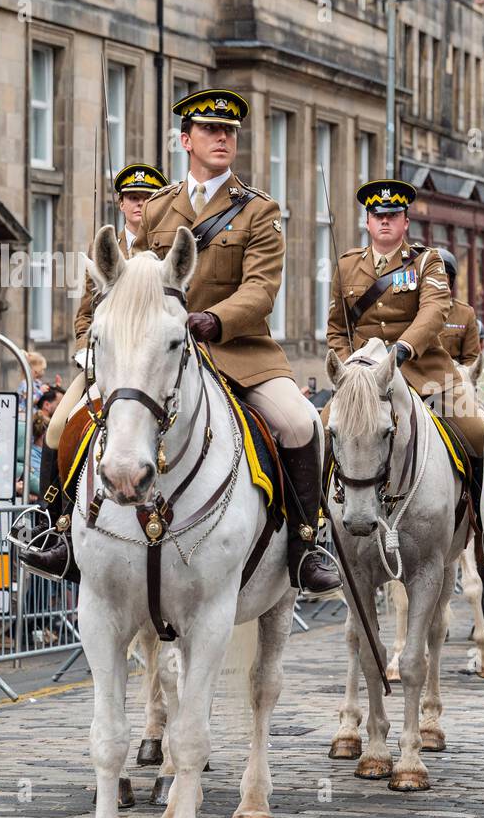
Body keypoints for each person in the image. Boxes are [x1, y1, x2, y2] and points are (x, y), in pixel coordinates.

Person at [135, 89, 339, 596]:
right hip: (160, 353)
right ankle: (59, 526)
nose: (222, 137)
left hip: (237, 350)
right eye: (210, 130)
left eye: (229, 131)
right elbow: (133, 279)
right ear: (186, 140)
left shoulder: (258, 211)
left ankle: (305, 543)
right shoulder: (158, 209)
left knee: (299, 423)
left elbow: (261, 290)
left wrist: (213, 319)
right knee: (80, 415)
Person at [21, 162, 170, 581]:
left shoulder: (165, 250)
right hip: (105, 365)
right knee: (56, 428)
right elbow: (85, 317)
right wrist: (89, 353)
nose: (139, 205)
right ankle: (54, 528)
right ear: (121, 204)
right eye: (133, 198)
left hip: (153, 369)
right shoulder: (105, 250)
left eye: (147, 198)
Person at [325, 180, 484, 472]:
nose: (385, 221)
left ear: (406, 222)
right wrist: (348, 370)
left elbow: (435, 310)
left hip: (426, 376)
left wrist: (403, 348)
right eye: (378, 215)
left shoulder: (426, 262)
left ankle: (483, 515)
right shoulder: (346, 266)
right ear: (368, 221)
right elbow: (338, 329)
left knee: (479, 437)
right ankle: (315, 515)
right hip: (364, 381)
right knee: (320, 439)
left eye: (393, 215)